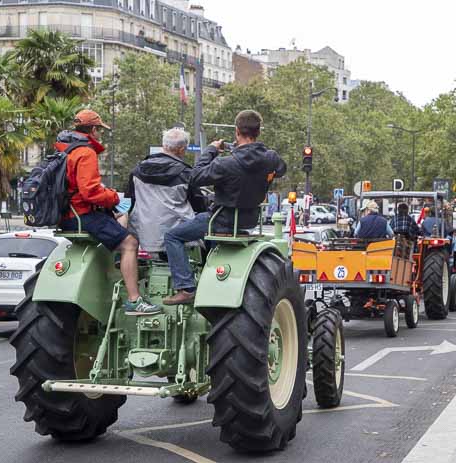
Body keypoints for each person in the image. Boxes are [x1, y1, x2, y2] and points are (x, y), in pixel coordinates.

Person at [162, 110, 286, 305]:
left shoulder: (225, 164)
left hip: (220, 220)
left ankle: (186, 287)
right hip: (249, 220)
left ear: (237, 131)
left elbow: (194, 178)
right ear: (258, 131)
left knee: (172, 236)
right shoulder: (270, 158)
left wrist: (211, 150)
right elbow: (280, 169)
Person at [57, 109, 161, 316]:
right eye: (99, 130)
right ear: (93, 130)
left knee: (118, 219)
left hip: (67, 215)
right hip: (82, 214)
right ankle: (134, 300)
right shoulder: (85, 152)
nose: (99, 135)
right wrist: (114, 197)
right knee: (130, 242)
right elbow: (90, 192)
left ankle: (119, 258)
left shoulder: (65, 150)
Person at [125, 128, 207, 255]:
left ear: (163, 145)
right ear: (181, 149)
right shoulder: (186, 174)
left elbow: (129, 202)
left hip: (144, 237)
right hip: (179, 238)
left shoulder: (137, 171)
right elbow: (199, 205)